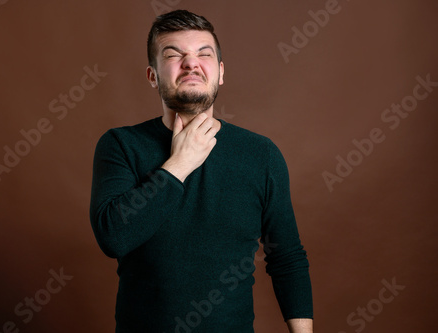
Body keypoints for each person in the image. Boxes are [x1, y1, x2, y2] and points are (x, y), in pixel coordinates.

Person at [90, 9, 313, 333]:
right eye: (174, 54)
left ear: (220, 72)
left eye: (203, 54)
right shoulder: (121, 145)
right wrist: (180, 164)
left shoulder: (260, 154)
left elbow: (287, 258)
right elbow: (113, 237)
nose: (191, 64)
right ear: (152, 75)